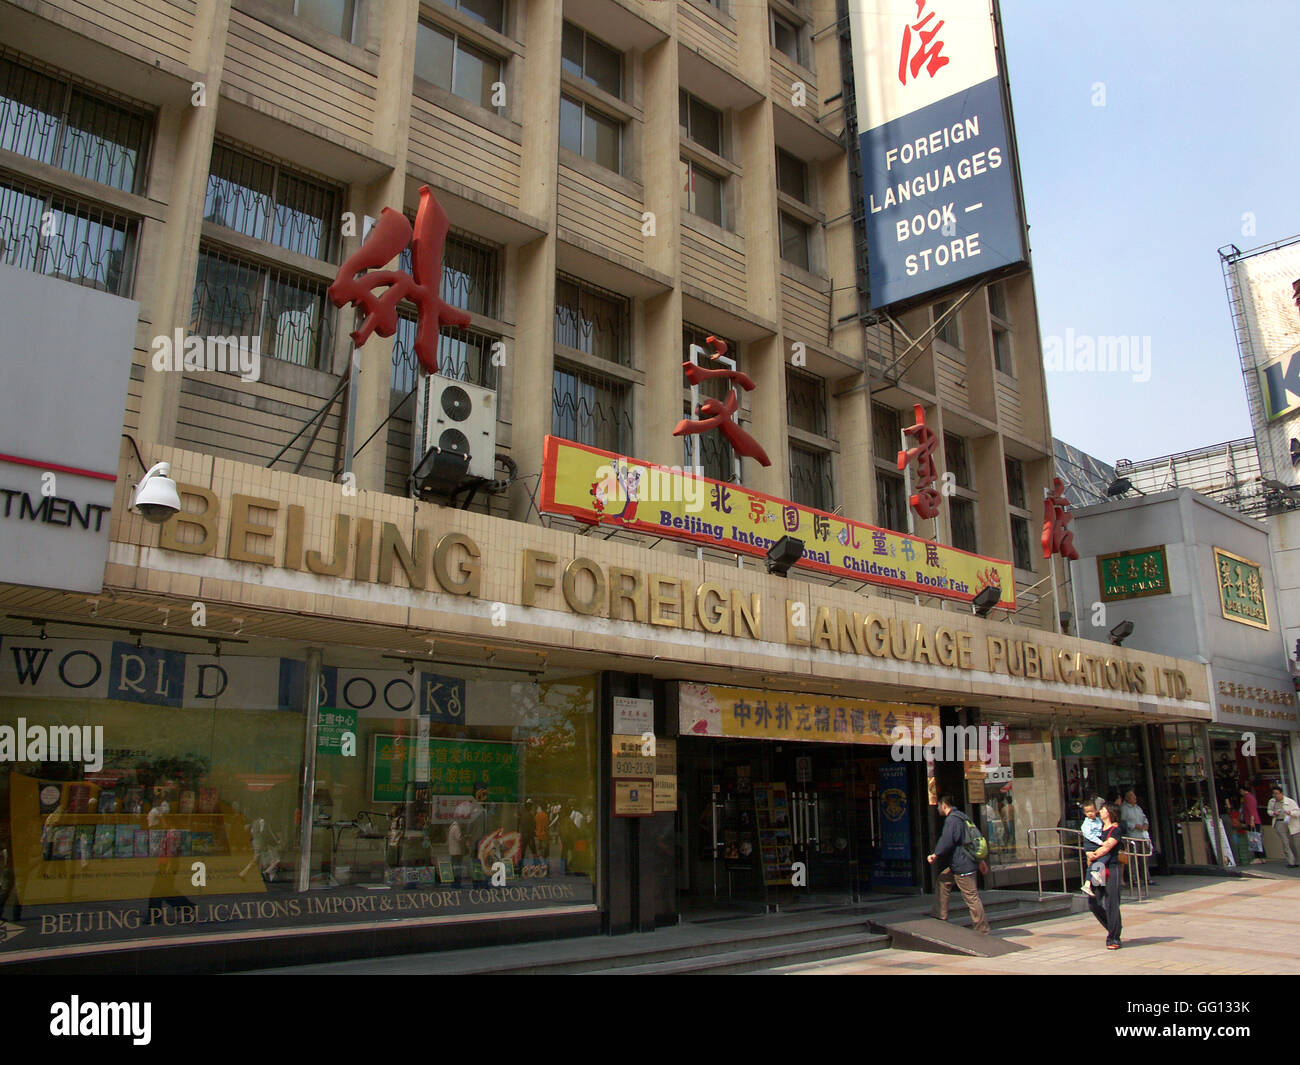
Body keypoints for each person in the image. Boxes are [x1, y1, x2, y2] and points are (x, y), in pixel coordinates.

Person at [926, 794, 990, 935]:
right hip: (961, 863)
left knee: (971, 897)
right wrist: (980, 860)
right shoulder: (962, 817)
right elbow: (971, 840)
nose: (937, 809)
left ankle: (982, 929)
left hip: (962, 864)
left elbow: (948, 840)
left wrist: (935, 855)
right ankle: (939, 914)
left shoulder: (952, 820)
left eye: (938, 806)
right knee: (943, 880)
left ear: (944, 805)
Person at [1086, 801, 1124, 949]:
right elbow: (1089, 844)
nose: (1100, 811)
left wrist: (1094, 855)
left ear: (1109, 812)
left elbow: (1108, 846)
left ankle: (1114, 937)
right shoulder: (1096, 829)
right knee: (1093, 902)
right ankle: (1113, 926)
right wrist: (1089, 853)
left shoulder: (1116, 829)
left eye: (1102, 809)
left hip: (1111, 867)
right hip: (1098, 868)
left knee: (1111, 902)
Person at [1078, 799, 1106, 897]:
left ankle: (1087, 884)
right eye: (1087, 812)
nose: (1090, 814)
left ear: (1096, 811)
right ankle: (1095, 874)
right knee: (1099, 857)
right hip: (1091, 843)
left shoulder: (1098, 821)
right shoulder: (1086, 824)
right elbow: (1089, 835)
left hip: (1098, 841)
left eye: (1091, 811)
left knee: (1096, 861)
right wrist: (1100, 842)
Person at [1266, 785, 1300, 867]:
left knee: (1295, 843)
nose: (1276, 795)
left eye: (1277, 793)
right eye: (1274, 794)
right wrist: (1274, 813)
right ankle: (1291, 862)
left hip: (1291, 823)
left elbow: (1298, 812)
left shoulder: (1290, 801)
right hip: (1279, 822)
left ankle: (1298, 860)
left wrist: (1290, 813)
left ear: (1281, 793)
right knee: (1285, 843)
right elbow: (1269, 811)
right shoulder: (1272, 802)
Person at [1240, 786, 1265, 863]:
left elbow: (1251, 810)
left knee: (1254, 838)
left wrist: (1252, 820)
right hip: (1254, 820)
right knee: (1256, 838)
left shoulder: (1247, 797)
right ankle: (1261, 857)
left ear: (1243, 790)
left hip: (1252, 821)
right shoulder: (1251, 797)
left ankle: (1258, 857)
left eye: (1241, 791)